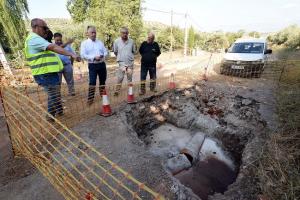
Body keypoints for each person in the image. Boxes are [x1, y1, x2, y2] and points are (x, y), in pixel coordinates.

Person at [24, 18, 80, 120]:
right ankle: (50, 116)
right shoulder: (33, 39)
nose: (46, 30)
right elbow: (54, 48)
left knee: (54, 93)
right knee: (53, 94)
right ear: (35, 27)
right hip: (44, 74)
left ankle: (59, 110)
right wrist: (71, 54)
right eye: (44, 28)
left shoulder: (39, 40)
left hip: (49, 73)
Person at [80, 26, 107, 105]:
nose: (94, 34)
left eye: (95, 32)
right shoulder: (84, 43)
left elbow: (105, 52)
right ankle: (90, 99)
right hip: (92, 65)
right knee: (92, 82)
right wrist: (93, 57)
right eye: (92, 32)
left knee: (102, 81)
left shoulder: (100, 42)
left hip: (102, 64)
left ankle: (103, 95)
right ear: (87, 33)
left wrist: (102, 55)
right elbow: (83, 55)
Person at [113, 27, 136, 96]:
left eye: (126, 33)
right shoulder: (116, 41)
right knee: (120, 78)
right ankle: (117, 91)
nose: (125, 34)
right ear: (120, 33)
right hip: (121, 63)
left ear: (128, 33)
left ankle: (130, 91)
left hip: (130, 62)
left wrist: (128, 56)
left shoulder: (132, 41)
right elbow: (115, 52)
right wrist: (120, 58)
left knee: (129, 78)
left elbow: (134, 51)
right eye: (123, 33)